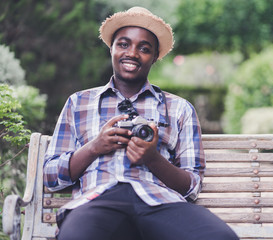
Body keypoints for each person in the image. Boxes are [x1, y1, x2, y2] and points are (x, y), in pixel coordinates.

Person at [43, 6, 238, 240]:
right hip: (98, 200)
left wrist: (152, 158)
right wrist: (95, 147)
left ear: (155, 57)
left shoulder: (179, 108)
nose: (132, 53)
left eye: (144, 49)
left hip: (159, 202)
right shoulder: (78, 103)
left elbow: (192, 186)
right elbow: (51, 177)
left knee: (219, 237)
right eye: (123, 44)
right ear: (112, 48)